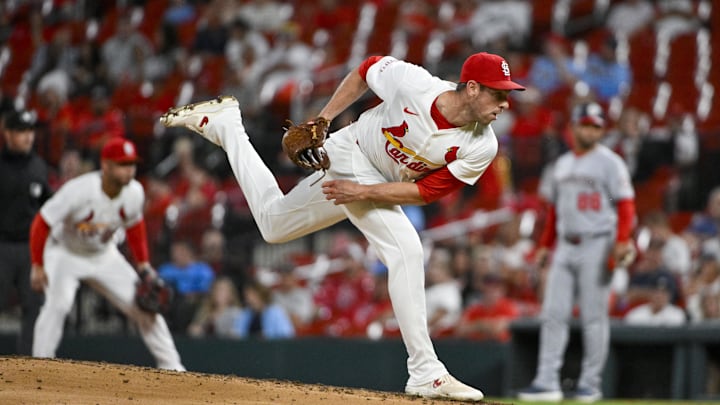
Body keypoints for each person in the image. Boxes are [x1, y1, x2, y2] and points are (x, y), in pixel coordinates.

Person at [160, 51, 528, 401]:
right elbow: (366, 70)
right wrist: (324, 119)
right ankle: (425, 371)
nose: (505, 104)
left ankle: (228, 129)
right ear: (473, 88)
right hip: (351, 153)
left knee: (274, 225)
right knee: (407, 249)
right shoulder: (416, 84)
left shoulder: (483, 145)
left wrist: (363, 191)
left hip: (368, 181)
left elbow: (425, 192)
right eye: (499, 94)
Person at [28, 137, 185, 371]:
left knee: (145, 307)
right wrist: (38, 265)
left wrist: (143, 265)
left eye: (131, 164)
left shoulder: (134, 192)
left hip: (103, 255)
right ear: (106, 166)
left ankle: (174, 368)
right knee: (58, 304)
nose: (129, 170)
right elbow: (42, 223)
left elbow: (134, 227)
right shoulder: (79, 190)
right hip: (65, 252)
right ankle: (39, 368)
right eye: (122, 164)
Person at [517, 102, 636, 403]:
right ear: (573, 127)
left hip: (598, 241)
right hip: (565, 245)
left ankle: (590, 384)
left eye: (596, 126)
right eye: (586, 124)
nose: (591, 130)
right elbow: (555, 212)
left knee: (594, 317)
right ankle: (547, 382)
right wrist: (545, 246)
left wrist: (622, 240)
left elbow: (625, 206)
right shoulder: (562, 165)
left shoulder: (610, 162)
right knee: (552, 315)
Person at [0, 109, 52, 355]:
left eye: (30, 131)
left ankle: (28, 368)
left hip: (31, 249)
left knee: (34, 308)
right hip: (2, 247)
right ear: (7, 133)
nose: (28, 136)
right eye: (21, 131)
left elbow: (48, 205)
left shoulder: (38, 166)